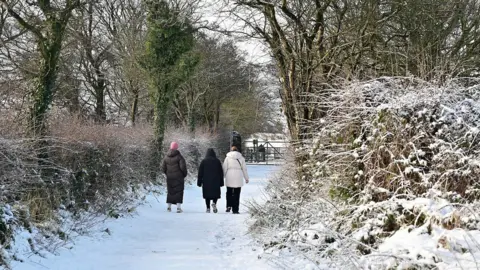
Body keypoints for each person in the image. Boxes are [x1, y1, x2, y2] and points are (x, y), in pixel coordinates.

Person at [162, 142, 187, 213]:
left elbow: (163, 168)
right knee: (179, 191)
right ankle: (178, 208)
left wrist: (167, 174)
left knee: (170, 191)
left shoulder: (166, 157)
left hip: (170, 177)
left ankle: (169, 207)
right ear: (177, 148)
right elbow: (183, 167)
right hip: (178, 177)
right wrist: (184, 175)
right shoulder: (179, 157)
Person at [223, 145, 249, 214]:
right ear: (237, 150)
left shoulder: (227, 158)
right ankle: (235, 209)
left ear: (231, 150)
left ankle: (228, 205)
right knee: (237, 193)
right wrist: (246, 178)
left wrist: (223, 176)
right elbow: (244, 169)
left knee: (229, 192)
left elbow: (225, 168)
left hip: (229, 175)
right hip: (238, 175)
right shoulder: (241, 158)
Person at [197, 148, 224, 213]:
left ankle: (208, 207)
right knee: (215, 194)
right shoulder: (217, 161)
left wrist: (199, 182)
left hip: (206, 181)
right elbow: (221, 172)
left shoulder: (204, 161)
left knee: (207, 195)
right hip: (216, 180)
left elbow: (200, 172)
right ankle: (214, 203)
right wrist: (221, 182)